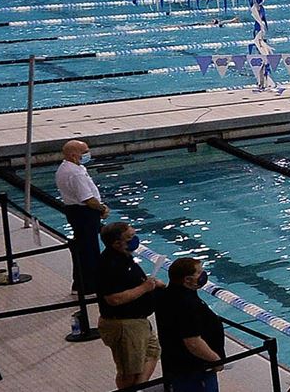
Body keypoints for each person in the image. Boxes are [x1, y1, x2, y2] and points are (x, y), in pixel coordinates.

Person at [97, 221, 163, 390]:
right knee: (129, 371)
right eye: (130, 237)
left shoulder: (125, 257)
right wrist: (144, 287)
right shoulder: (109, 264)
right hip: (124, 324)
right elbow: (113, 299)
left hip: (138, 321)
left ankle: (138, 388)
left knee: (152, 352)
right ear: (116, 243)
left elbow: (131, 283)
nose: (135, 239)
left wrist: (151, 284)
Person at [156, 258, 225, 392]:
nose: (203, 274)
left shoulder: (168, 294)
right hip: (194, 369)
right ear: (187, 280)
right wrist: (216, 360)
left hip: (176, 364)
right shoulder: (186, 303)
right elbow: (193, 342)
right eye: (198, 272)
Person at [56, 140, 108, 295]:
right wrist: (102, 208)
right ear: (73, 155)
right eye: (84, 152)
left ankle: (79, 284)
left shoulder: (67, 167)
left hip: (75, 211)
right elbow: (87, 199)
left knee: (83, 248)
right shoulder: (75, 173)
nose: (88, 154)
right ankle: (88, 286)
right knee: (89, 250)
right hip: (84, 213)